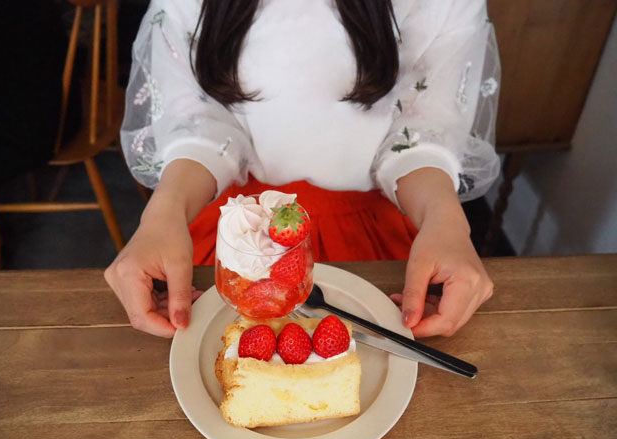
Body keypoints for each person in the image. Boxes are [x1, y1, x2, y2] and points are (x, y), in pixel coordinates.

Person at [105, 0, 500, 339]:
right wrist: (164, 213)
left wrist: (446, 220)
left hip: (375, 235)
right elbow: (198, 121)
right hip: (239, 231)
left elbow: (423, 126)